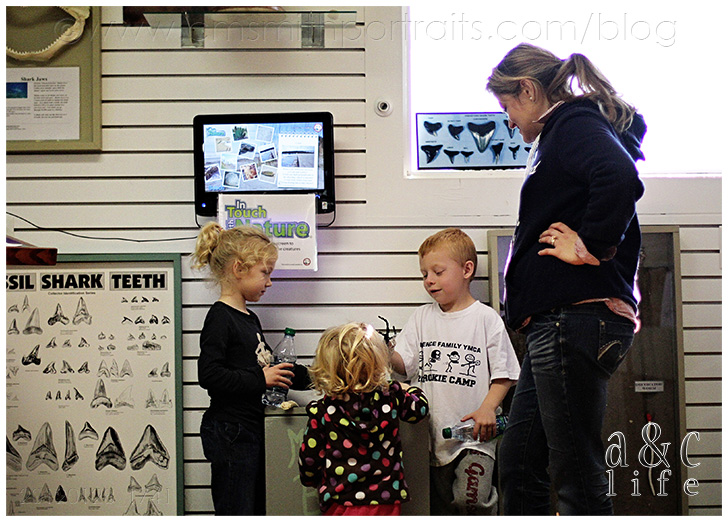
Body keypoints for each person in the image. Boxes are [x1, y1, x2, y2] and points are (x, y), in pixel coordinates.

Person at [485, 43, 646, 515]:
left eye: (507, 106)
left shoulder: (572, 123)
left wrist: (591, 244)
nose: (509, 120)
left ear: (528, 90)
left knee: (575, 471)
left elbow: (618, 176)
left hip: (572, 320)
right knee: (519, 461)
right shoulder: (566, 131)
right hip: (556, 324)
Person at [390, 228, 520, 515]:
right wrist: (383, 352)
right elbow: (403, 364)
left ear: (467, 270)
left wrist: (488, 408)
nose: (429, 280)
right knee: (438, 507)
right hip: (430, 439)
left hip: (475, 438)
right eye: (424, 274)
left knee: (470, 500)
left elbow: (505, 374)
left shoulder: (486, 319)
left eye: (438, 272)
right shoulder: (421, 317)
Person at [192, 222, 310, 515]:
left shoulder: (249, 318)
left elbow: (273, 369)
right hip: (231, 431)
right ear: (238, 269)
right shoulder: (220, 317)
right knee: (237, 509)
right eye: (265, 273)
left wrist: (320, 375)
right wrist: (260, 379)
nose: (269, 282)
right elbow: (209, 374)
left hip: (248, 429)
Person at [298, 322, 429, 516]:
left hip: (339, 502)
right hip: (385, 501)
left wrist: (312, 480)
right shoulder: (390, 397)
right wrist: (408, 389)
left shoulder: (323, 410)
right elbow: (420, 409)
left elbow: (309, 460)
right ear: (377, 362)